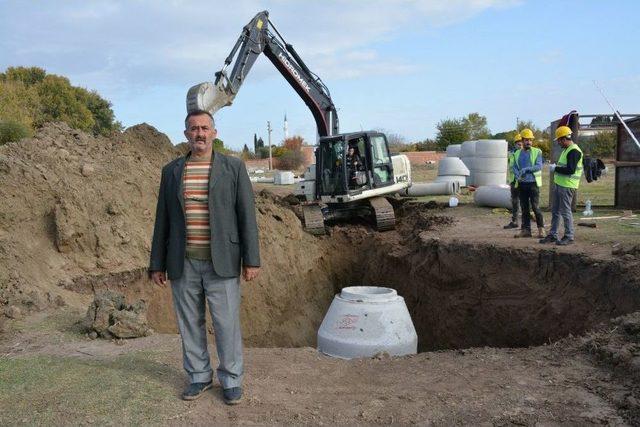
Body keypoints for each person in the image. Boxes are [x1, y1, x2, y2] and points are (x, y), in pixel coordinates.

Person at [149, 109, 260, 405]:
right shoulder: (171, 171)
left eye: (205, 128)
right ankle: (198, 376)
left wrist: (252, 260)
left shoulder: (233, 168)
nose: (199, 133)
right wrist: (157, 263)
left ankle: (231, 380)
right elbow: (163, 220)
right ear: (186, 134)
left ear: (214, 132)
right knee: (189, 323)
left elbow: (246, 216)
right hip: (182, 262)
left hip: (221, 261)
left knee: (226, 324)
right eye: (194, 128)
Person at [539, 125, 583, 246]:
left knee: (565, 211)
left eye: (559, 140)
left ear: (564, 139)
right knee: (555, 211)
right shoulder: (567, 150)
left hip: (567, 186)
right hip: (560, 185)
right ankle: (553, 235)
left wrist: (556, 168)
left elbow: (570, 170)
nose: (558, 143)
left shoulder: (574, 151)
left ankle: (569, 236)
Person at [512, 128, 545, 238]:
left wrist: (526, 169)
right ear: (522, 140)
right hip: (522, 184)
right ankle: (526, 230)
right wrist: (517, 175)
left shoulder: (537, 152)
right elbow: (514, 167)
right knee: (524, 208)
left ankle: (541, 229)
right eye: (526, 140)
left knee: (535, 207)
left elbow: (539, 166)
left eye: (530, 140)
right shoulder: (517, 154)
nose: (529, 142)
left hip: (533, 184)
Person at [503, 133, 523, 229]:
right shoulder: (511, 154)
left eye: (521, 144)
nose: (520, 146)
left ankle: (526, 223)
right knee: (514, 201)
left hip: (523, 181)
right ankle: (514, 221)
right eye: (518, 144)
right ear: (515, 144)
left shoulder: (525, 154)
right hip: (514, 181)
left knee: (524, 202)